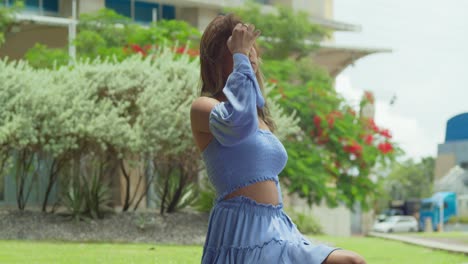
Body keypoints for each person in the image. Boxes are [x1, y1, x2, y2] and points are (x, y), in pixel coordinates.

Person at [190, 14, 367, 264]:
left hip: (278, 229)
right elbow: (236, 124)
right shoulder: (204, 108)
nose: (248, 54)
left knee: (352, 261)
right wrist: (240, 57)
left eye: (250, 47)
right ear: (217, 60)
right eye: (237, 48)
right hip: (242, 233)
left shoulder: (258, 116)